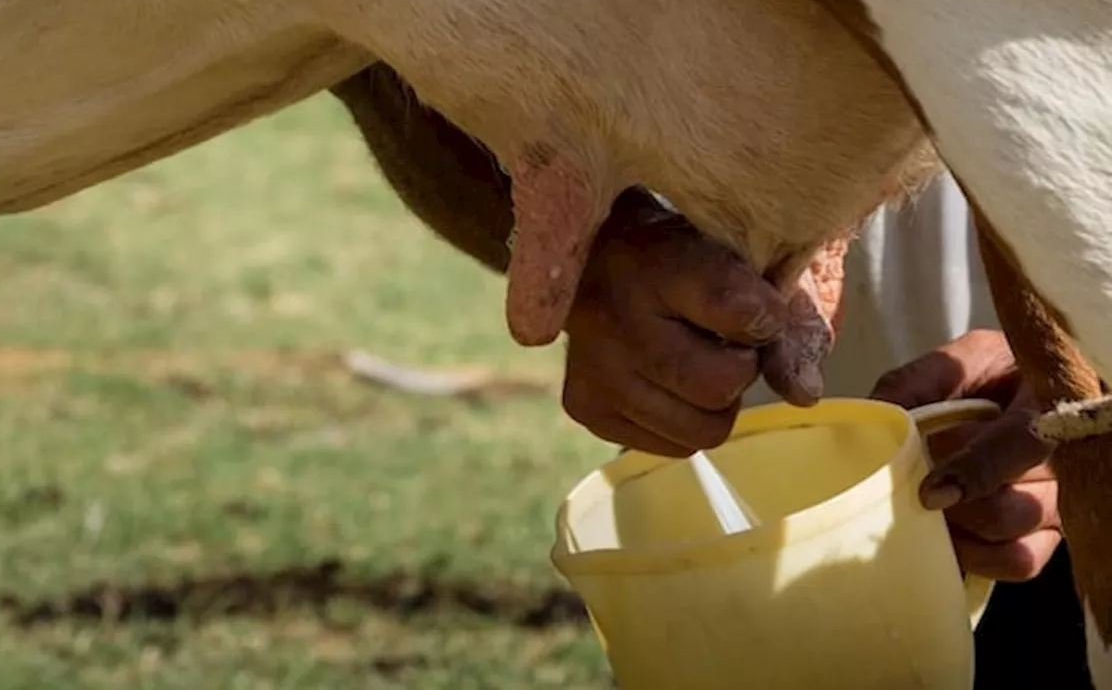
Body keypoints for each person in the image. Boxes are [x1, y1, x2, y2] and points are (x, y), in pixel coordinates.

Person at [330, 64, 1089, 688]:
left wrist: (1085, 365)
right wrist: (591, 251)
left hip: (1073, 494)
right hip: (746, 528)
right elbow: (359, 34)